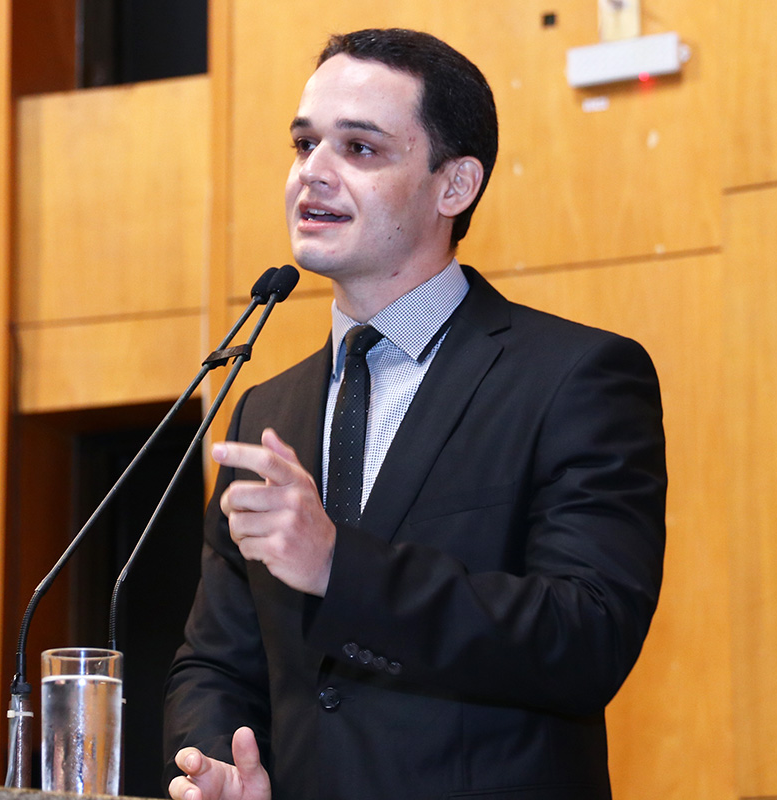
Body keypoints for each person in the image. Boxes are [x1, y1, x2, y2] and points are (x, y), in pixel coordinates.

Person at [164, 28, 666, 800]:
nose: (312, 173)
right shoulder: (267, 409)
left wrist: (339, 567)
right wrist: (218, 765)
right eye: (304, 144)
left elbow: (586, 636)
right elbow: (217, 661)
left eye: (359, 149)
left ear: (454, 185)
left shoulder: (574, 378)